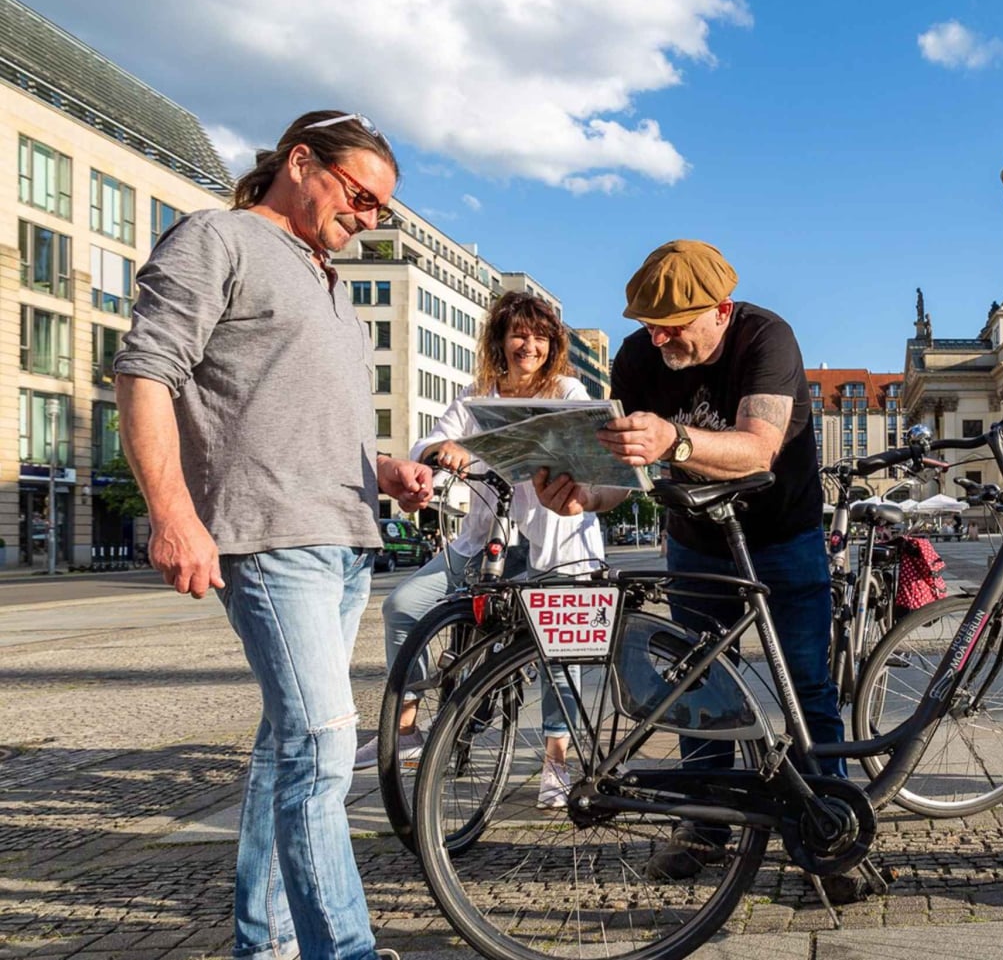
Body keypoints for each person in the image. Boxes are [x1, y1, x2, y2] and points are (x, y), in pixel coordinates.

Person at [113, 111, 433, 960]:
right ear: (300, 161)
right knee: (326, 750)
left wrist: (385, 468)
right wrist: (174, 515)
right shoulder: (217, 239)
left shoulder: (327, 280)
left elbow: (299, 415)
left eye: (381, 210)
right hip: (269, 537)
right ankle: (346, 950)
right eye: (361, 196)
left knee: (287, 750)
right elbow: (145, 371)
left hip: (341, 538)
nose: (369, 218)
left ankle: (266, 944)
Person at [532, 240, 848, 888]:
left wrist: (675, 437)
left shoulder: (767, 339)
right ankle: (704, 827)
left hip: (783, 530)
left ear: (722, 309)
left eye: (674, 325)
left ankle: (830, 830)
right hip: (695, 537)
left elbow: (759, 450)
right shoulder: (637, 357)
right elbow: (628, 469)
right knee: (694, 685)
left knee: (808, 682)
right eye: (649, 324)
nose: (660, 337)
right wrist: (586, 495)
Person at [354, 291, 605, 810]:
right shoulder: (476, 396)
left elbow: (578, 444)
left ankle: (556, 762)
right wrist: (440, 452)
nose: (528, 345)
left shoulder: (567, 389)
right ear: (500, 340)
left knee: (559, 648)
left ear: (553, 344)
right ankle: (405, 728)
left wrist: (488, 450)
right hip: (485, 540)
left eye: (539, 336)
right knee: (404, 606)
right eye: (518, 334)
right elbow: (430, 445)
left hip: (556, 544)